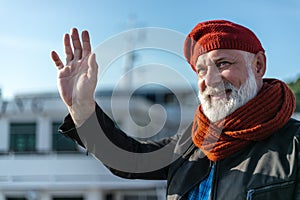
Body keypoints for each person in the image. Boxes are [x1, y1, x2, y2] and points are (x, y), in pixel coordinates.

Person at [51, 19, 300, 199]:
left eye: (223, 63)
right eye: (201, 70)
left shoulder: (295, 145)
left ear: (258, 65)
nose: (210, 79)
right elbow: (128, 158)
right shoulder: (194, 142)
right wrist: (81, 106)